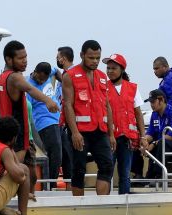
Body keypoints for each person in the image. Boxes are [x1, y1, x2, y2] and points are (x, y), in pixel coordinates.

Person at [62, 40, 115, 196]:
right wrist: (74, 133)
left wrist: (111, 134)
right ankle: (78, 206)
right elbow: (68, 105)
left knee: (107, 165)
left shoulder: (102, 77)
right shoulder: (70, 76)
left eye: (98, 58)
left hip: (100, 131)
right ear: (82, 55)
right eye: (91, 58)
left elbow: (107, 105)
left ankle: (101, 204)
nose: (95, 61)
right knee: (78, 169)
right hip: (80, 132)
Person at [0, 92, 39, 197]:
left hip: (28, 139)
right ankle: (9, 197)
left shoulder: (23, 94)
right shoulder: (0, 95)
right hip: (12, 139)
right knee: (14, 172)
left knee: (32, 175)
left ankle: (29, 199)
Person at [103, 53, 145, 194]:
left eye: (113, 68)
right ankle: (104, 202)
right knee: (106, 172)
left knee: (125, 174)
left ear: (122, 70)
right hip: (109, 138)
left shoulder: (132, 88)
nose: (109, 71)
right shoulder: (103, 87)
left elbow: (138, 113)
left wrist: (143, 137)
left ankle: (124, 201)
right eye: (108, 68)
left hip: (127, 139)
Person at [141, 89, 172, 180]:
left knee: (162, 143)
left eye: (153, 102)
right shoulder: (154, 115)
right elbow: (151, 133)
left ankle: (157, 175)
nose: (151, 105)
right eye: (150, 102)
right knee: (138, 142)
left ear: (161, 100)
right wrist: (144, 140)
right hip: (161, 146)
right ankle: (137, 174)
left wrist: (154, 143)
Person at [27, 62, 62, 188]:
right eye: (39, 79)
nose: (42, 81)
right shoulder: (28, 85)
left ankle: (59, 181)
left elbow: (56, 70)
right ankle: (51, 184)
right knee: (55, 152)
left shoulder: (49, 72)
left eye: (44, 79)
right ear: (35, 72)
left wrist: (63, 81)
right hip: (44, 122)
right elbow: (28, 111)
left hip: (58, 119)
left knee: (62, 155)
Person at [56, 46, 75, 189]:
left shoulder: (72, 75)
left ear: (63, 58)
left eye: (58, 57)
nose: (57, 59)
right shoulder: (62, 76)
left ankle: (71, 186)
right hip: (62, 121)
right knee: (65, 155)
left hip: (71, 121)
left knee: (70, 156)